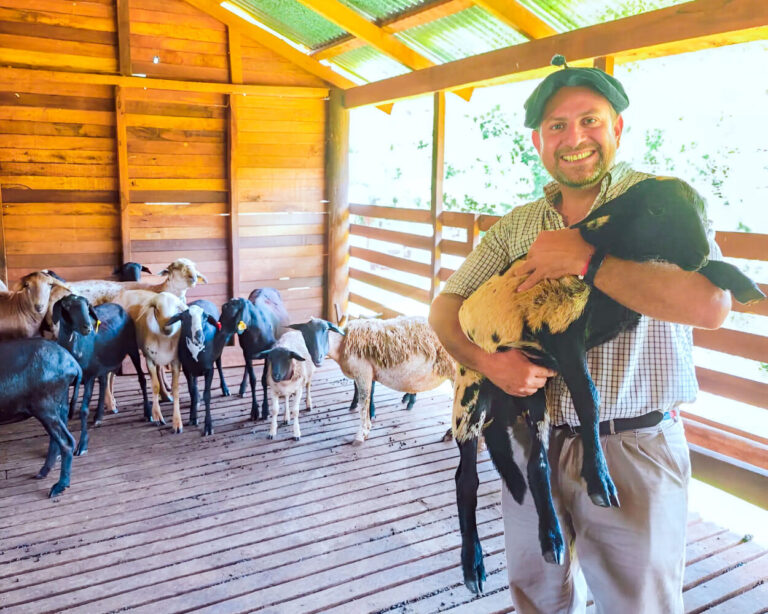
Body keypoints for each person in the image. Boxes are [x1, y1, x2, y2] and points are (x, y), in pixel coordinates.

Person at [428, 56, 731, 614]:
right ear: (539, 142)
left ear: (617, 127)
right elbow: (444, 308)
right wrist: (488, 363)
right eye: (557, 127)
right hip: (527, 440)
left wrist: (586, 260)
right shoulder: (518, 223)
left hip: (631, 445)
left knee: (638, 604)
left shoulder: (664, 200)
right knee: (537, 596)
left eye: (590, 120)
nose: (575, 138)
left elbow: (712, 306)